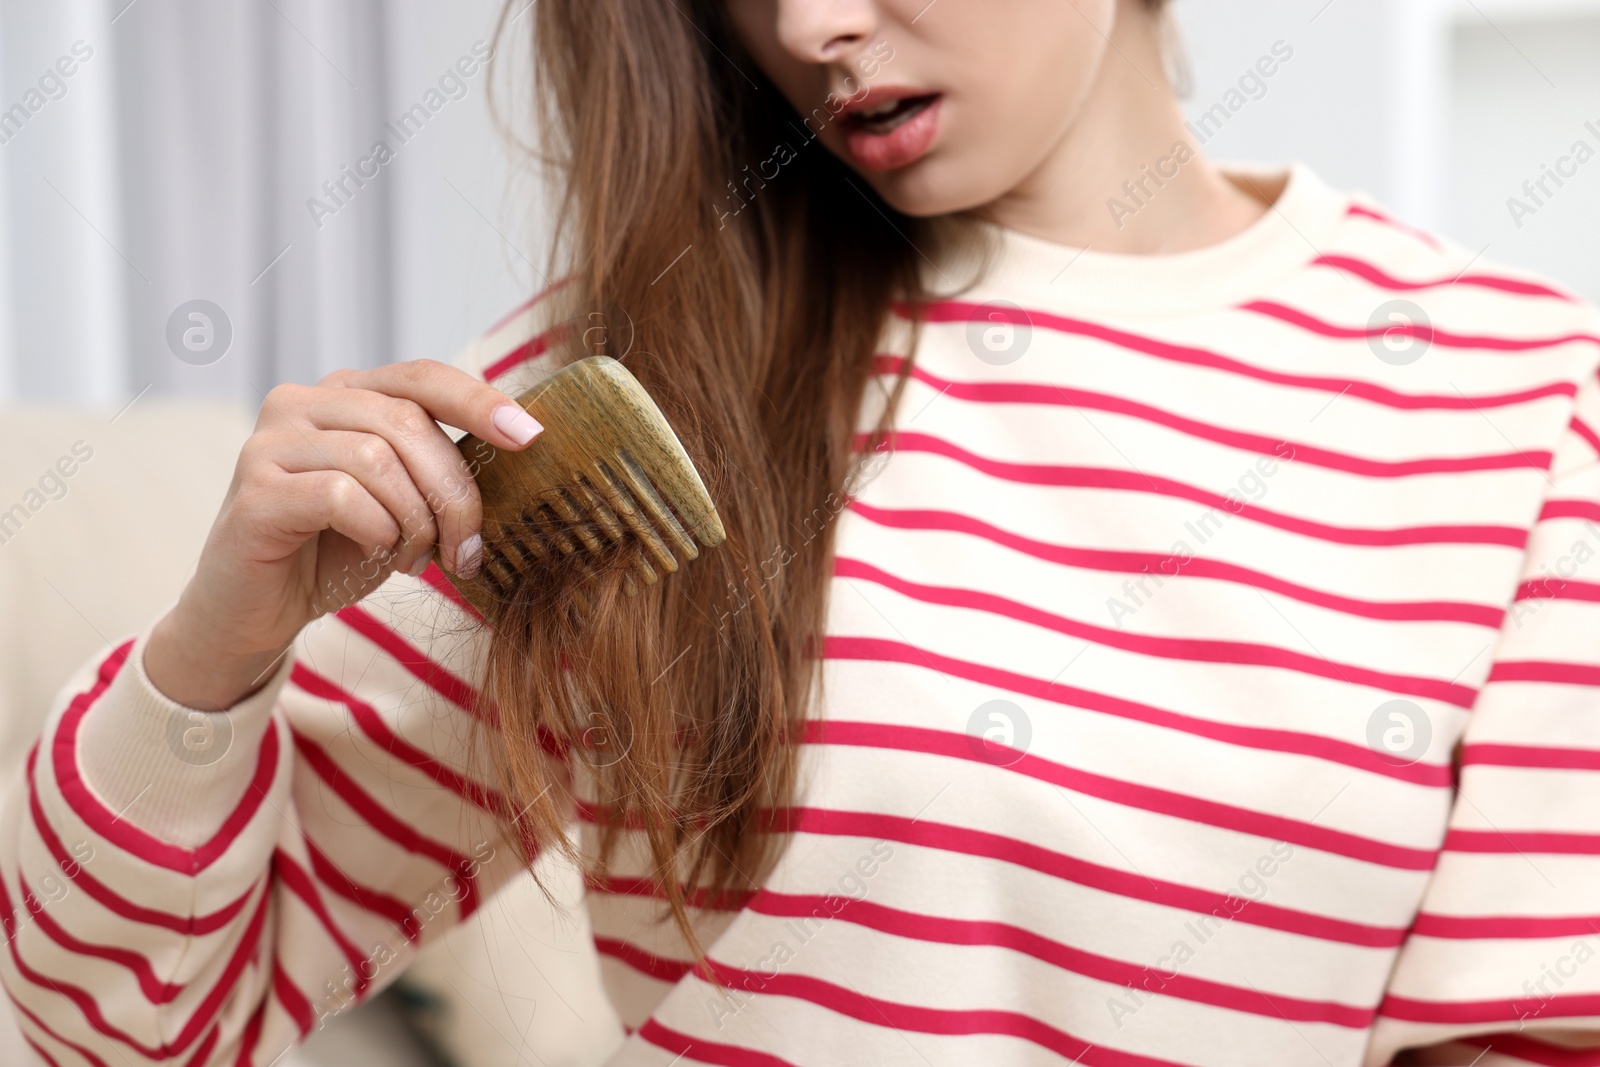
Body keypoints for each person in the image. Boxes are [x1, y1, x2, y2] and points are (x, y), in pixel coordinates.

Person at [6, 1, 1600, 1064]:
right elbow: (125, 1027)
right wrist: (217, 643)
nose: (809, 26)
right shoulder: (632, 394)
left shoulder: (1526, 400)